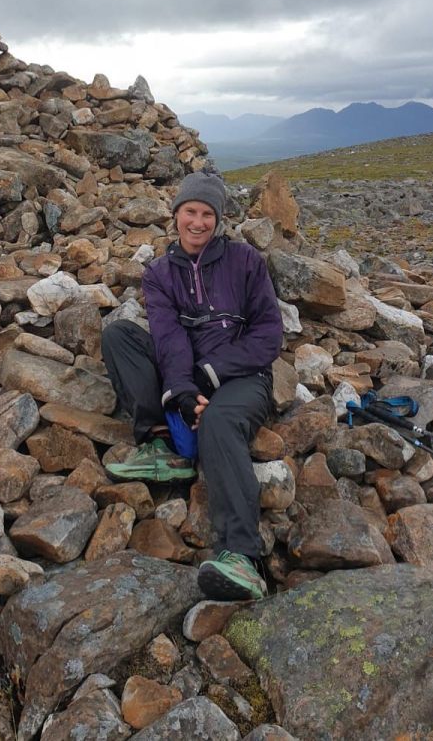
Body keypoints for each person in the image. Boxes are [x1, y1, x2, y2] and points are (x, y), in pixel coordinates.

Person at [101, 172, 284, 600]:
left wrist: (210, 374)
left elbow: (268, 336)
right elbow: (167, 337)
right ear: (176, 214)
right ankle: (163, 444)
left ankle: (243, 557)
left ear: (218, 219)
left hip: (242, 377)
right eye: (190, 212)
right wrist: (182, 392)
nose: (197, 222)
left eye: (207, 214)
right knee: (119, 336)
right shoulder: (160, 273)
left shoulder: (245, 262)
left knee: (220, 421)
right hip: (188, 373)